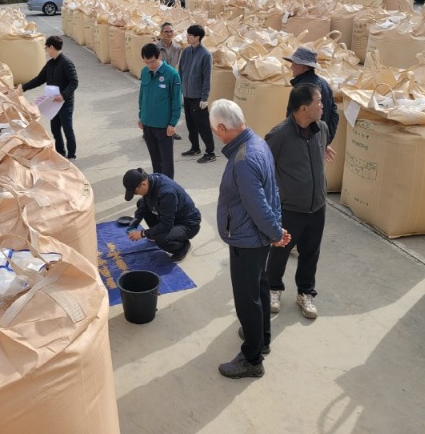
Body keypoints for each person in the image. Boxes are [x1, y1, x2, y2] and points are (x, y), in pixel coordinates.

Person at [210, 99, 290, 379]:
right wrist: (275, 229)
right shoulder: (257, 142)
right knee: (259, 288)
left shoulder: (243, 159)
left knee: (248, 300)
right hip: (256, 236)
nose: (216, 135)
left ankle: (252, 358)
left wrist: (275, 232)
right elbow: (274, 191)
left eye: (215, 131)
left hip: (247, 238)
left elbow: (258, 205)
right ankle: (262, 338)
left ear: (222, 127)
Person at [265, 83, 335, 320]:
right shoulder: (279, 135)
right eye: (318, 101)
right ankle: (273, 288)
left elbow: (315, 149)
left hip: (317, 206)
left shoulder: (321, 129)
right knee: (280, 250)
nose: (322, 105)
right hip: (289, 208)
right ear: (303, 108)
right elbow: (264, 168)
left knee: (310, 252)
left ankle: (305, 292)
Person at [122, 167, 201, 262]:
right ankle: (156, 233)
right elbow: (143, 205)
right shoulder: (150, 181)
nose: (135, 194)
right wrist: (135, 222)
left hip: (187, 224)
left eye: (135, 192)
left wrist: (143, 233)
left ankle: (182, 247)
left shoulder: (167, 193)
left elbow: (167, 225)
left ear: (143, 184)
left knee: (161, 239)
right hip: (170, 216)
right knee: (141, 203)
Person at [22, 35, 79, 159]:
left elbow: (74, 82)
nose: (47, 51)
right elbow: (39, 79)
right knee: (55, 129)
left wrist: (63, 95)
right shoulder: (50, 64)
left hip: (64, 103)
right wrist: (23, 87)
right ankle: (61, 153)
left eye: (47, 48)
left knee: (67, 129)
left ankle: (72, 155)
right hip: (52, 103)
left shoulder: (66, 63)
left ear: (52, 47)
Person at [138, 42, 182, 179]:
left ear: (159, 56)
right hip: (148, 123)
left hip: (164, 126)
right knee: (155, 158)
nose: (150, 66)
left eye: (152, 62)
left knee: (166, 160)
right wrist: (141, 116)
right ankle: (158, 183)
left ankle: (169, 186)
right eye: (146, 62)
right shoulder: (145, 72)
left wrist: (172, 123)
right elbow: (142, 96)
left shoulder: (172, 75)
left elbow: (176, 101)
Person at [284, 47, 338, 144]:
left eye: (294, 63)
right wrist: (326, 140)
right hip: (319, 142)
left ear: (303, 66)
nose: (291, 67)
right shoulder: (325, 84)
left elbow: (292, 118)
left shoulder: (301, 89)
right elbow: (334, 114)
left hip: (303, 144)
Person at [178, 24, 216, 164]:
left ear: (197, 38)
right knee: (190, 124)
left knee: (203, 126)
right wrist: (179, 88)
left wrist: (204, 97)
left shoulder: (205, 55)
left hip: (198, 98)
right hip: (187, 95)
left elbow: (207, 78)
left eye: (190, 35)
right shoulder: (186, 52)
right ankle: (195, 148)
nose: (187, 37)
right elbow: (181, 71)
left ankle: (210, 152)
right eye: (187, 35)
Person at [155, 22, 183, 141]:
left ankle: (171, 130)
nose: (169, 33)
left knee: (173, 105)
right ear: (161, 33)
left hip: (171, 79)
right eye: (166, 31)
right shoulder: (156, 48)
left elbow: (177, 64)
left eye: (171, 31)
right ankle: (151, 129)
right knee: (158, 105)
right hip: (159, 79)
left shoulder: (177, 48)